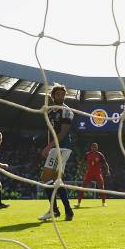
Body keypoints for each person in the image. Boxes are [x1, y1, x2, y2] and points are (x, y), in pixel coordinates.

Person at [38, 85, 75, 221]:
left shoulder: (66, 111)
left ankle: (54, 211)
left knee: (45, 178)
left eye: (62, 94)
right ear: (53, 96)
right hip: (56, 148)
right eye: (58, 94)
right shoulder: (50, 111)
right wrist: (50, 147)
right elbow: (51, 131)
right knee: (57, 181)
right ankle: (68, 211)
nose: (61, 96)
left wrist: (49, 147)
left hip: (62, 147)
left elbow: (63, 132)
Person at [75, 142, 110, 207]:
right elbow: (82, 163)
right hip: (89, 172)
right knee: (83, 187)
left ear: (97, 148)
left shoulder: (100, 155)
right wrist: (80, 171)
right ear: (91, 147)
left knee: (101, 187)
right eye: (92, 147)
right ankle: (78, 203)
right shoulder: (87, 154)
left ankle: (103, 202)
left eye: (95, 147)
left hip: (97, 173)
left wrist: (107, 170)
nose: (94, 148)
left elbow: (105, 163)